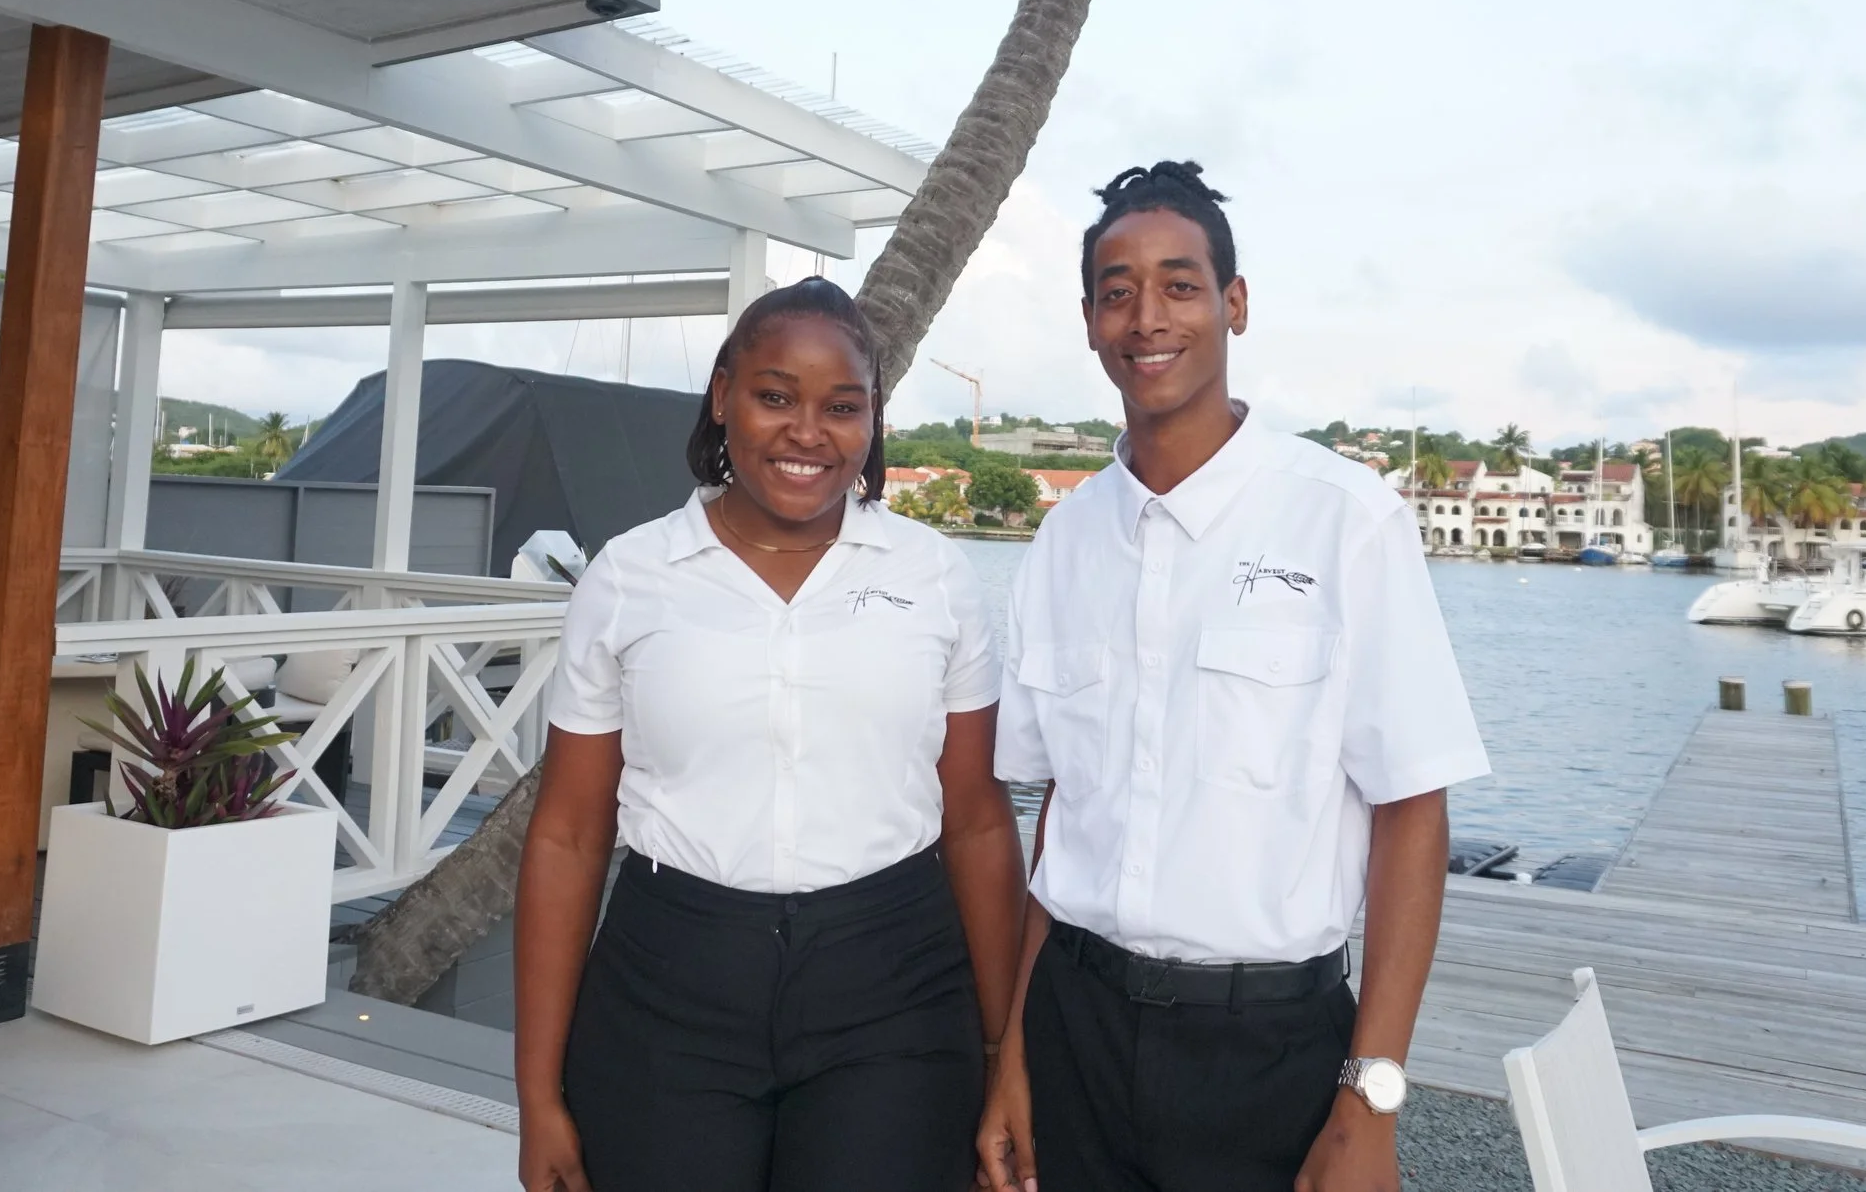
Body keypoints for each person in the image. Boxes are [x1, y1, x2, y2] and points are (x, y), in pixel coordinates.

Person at [978, 162, 1490, 1192]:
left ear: (1233, 303)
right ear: (1087, 321)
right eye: (1116, 289)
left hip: (1267, 1050)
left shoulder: (1344, 518)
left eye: (1178, 282)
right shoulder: (1065, 539)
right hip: (1072, 1028)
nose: (1145, 315)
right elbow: (1059, 820)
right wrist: (1013, 1057)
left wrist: (1371, 1100)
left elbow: (1411, 814)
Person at [513, 278, 1028, 1192]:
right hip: (670, 980)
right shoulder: (631, 577)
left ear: (872, 420)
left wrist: (1003, 1052)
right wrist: (537, 1092)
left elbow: (980, 820)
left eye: (842, 406)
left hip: (894, 987)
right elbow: (567, 834)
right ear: (723, 396)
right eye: (775, 395)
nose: (807, 431)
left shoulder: (935, 577)